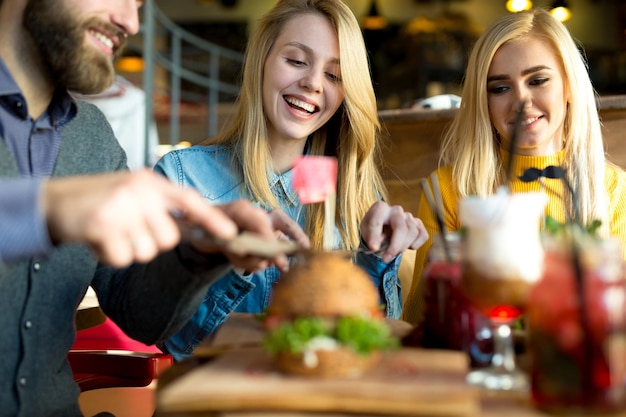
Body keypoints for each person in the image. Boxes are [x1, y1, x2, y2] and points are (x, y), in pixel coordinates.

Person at [0, 0, 305, 415]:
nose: (131, 22)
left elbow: (138, 315)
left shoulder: (92, 136)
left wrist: (198, 251)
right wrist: (48, 208)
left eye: (140, 4)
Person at [155, 0, 429, 361]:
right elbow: (171, 339)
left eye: (334, 75)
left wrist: (378, 258)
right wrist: (230, 262)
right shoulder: (182, 177)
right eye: (297, 61)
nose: (313, 82)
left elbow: (367, 344)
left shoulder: (353, 195)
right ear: (262, 62)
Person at [402, 8, 626, 326]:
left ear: (569, 87)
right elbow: (424, 318)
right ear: (483, 101)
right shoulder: (448, 190)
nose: (521, 100)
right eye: (500, 88)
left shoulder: (614, 190)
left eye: (538, 80)